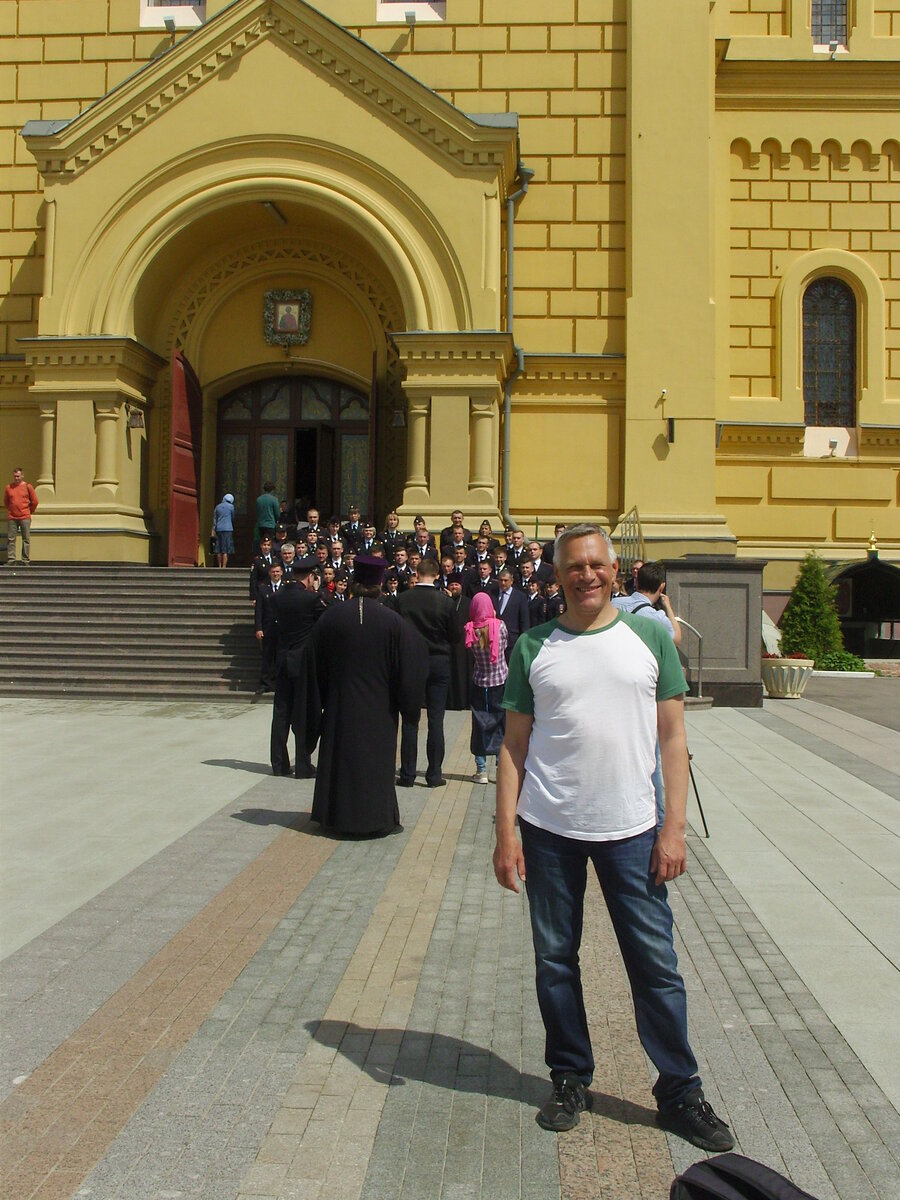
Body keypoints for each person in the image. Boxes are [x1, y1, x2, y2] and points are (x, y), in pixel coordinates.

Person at [493, 524, 734, 1151]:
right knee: (554, 961)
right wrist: (506, 833)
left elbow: (674, 739)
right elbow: (513, 748)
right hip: (549, 831)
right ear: (558, 574)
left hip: (633, 830)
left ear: (615, 570)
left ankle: (680, 1091)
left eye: (597, 563)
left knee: (655, 965)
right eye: (574, 565)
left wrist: (673, 830)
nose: (587, 575)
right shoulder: (533, 647)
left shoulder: (651, 634)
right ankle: (570, 1077)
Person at [306, 554, 428, 837]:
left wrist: (321, 701)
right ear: (379, 586)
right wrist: (406, 704)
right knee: (375, 764)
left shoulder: (331, 618)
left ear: (352, 583)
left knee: (342, 760)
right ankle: (376, 819)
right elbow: (413, 662)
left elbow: (313, 667)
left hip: (340, 708)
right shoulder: (394, 622)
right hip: (379, 709)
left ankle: (335, 817)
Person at [613, 561, 683, 825]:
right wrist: (668, 607)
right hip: (645, 693)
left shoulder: (615, 605)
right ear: (661, 587)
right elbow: (676, 638)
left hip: (615, 688)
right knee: (651, 756)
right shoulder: (655, 618)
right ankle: (660, 821)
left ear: (636, 581)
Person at [397, 556, 460, 788]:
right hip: (438, 662)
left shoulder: (402, 599)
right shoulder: (445, 602)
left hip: (410, 662)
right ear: (436, 576)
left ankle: (407, 775)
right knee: (436, 719)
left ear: (416, 573)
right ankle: (434, 775)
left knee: (410, 720)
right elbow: (455, 637)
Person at [266, 554, 324, 778]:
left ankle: (279, 764)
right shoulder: (311, 599)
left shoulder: (276, 597)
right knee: (302, 714)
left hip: (282, 660)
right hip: (303, 664)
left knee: (281, 714)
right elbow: (326, 620)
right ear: (310, 577)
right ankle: (302, 764)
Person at [465, 591, 508, 785]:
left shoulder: (470, 629)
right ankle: (500, 767)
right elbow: (505, 646)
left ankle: (481, 770)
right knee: (501, 722)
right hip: (500, 680)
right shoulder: (499, 627)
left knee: (480, 723)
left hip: (480, 681)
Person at [254, 559, 284, 696]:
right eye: (273, 572)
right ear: (269, 573)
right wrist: (258, 628)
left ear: (282, 572)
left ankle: (280, 684)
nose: (276, 574)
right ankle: (265, 684)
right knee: (267, 656)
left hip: (283, 629)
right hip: (267, 627)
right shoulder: (262, 589)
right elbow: (259, 611)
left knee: (281, 657)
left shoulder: (286, 588)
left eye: (278, 571)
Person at [493, 567, 529, 662]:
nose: (503, 583)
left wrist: (523, 641)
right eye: (501, 580)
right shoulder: (492, 594)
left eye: (506, 580)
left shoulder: (520, 597)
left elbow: (524, 620)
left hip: (512, 641)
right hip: (495, 641)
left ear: (511, 581)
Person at [4, 467, 38, 565]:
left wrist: (29, 511)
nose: (16, 478)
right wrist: (11, 510)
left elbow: (35, 501)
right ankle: (11, 559)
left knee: (26, 539)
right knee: (11, 539)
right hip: (12, 517)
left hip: (25, 517)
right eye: (15, 476)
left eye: (18, 476)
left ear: (22, 476)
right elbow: (6, 501)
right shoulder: (9, 487)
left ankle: (25, 560)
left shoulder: (28, 487)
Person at [211, 493, 235, 569]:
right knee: (225, 549)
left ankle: (219, 565)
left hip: (219, 528)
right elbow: (232, 517)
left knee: (218, 549)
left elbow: (214, 519)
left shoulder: (218, 507)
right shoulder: (231, 507)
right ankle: (224, 566)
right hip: (228, 529)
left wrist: (213, 530)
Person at [255, 482, 280, 547]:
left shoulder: (259, 499)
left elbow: (257, 512)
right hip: (271, 525)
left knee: (262, 542)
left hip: (260, 524)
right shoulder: (274, 499)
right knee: (270, 543)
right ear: (272, 490)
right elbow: (277, 514)